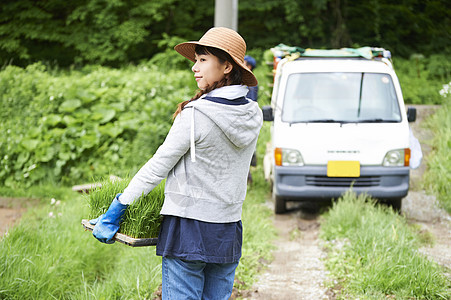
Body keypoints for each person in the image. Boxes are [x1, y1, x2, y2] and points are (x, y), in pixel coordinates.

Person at [89, 27, 263, 300]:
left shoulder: (196, 115)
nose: (195, 67)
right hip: (229, 229)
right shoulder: (252, 113)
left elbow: (158, 166)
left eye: (203, 60)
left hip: (189, 229)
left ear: (227, 66)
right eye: (195, 60)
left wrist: (119, 206)